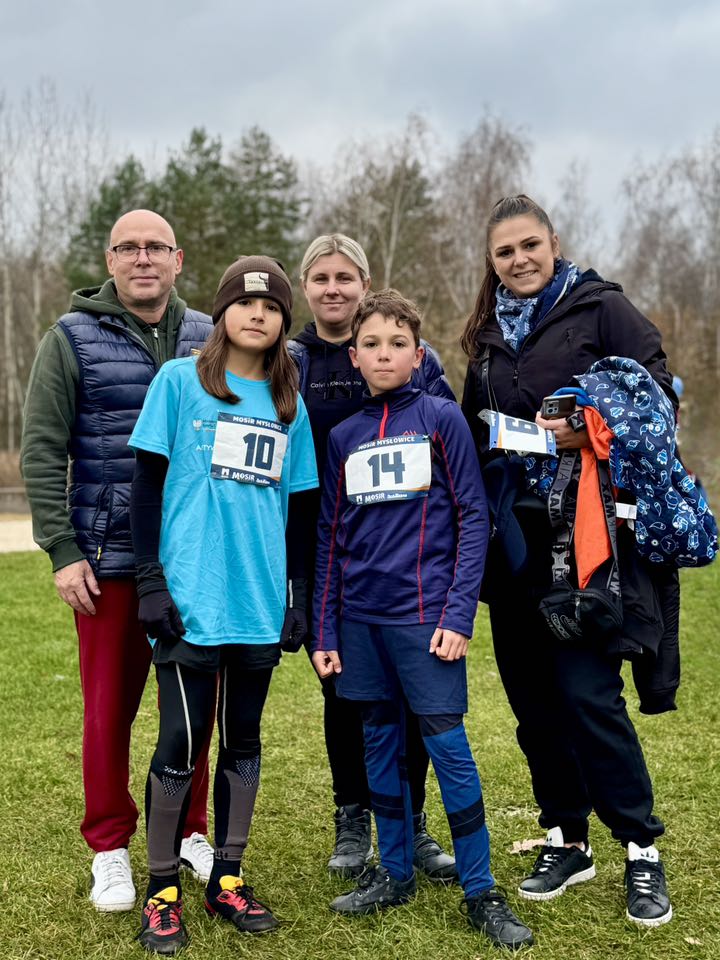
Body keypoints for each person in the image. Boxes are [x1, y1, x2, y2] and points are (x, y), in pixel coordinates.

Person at [460, 194, 678, 927]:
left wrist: (591, 430)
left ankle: (640, 849)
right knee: (532, 702)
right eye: (504, 252)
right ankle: (568, 837)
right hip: (510, 543)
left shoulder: (599, 308)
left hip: (582, 541)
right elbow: (471, 430)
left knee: (588, 695)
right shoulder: (487, 336)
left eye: (529, 245)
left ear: (553, 242)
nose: (519, 260)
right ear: (491, 264)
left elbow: (659, 395)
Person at [311, 289, 534, 950]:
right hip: (361, 624)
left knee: (447, 748)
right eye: (372, 345)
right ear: (355, 356)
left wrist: (458, 612)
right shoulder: (345, 436)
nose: (384, 354)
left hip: (425, 621)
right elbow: (330, 537)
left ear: (418, 351)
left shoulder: (441, 419)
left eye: (397, 344)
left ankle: (481, 890)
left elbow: (474, 521)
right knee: (379, 745)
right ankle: (396, 871)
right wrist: (324, 632)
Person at [20, 210, 215, 912]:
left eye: (155, 247)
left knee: (194, 707)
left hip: (193, 561)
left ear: (178, 258)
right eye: (128, 247)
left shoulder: (208, 338)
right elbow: (42, 450)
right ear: (109, 258)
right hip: (109, 560)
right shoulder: (69, 339)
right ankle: (109, 846)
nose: (142, 258)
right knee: (109, 712)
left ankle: (192, 829)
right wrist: (63, 551)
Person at [128, 255, 318, 954]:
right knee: (180, 743)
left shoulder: (289, 404)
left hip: (258, 605)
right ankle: (162, 890)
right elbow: (146, 488)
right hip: (190, 601)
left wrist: (297, 595)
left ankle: (228, 878)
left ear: (282, 323)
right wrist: (150, 579)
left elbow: (301, 510)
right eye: (245, 302)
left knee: (244, 743)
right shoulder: (179, 384)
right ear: (223, 311)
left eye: (272, 307)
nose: (259, 314)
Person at [288, 233, 458, 882]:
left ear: (365, 284)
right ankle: (352, 815)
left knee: (413, 696)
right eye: (321, 277)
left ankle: (410, 822)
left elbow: (447, 442)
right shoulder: (290, 360)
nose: (334, 288)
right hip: (326, 552)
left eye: (346, 277)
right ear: (306, 287)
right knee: (344, 692)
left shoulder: (416, 357)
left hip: (409, 560)